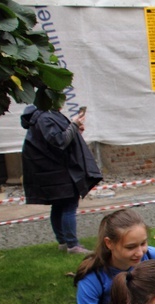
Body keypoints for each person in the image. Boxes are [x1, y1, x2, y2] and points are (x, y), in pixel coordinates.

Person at [20, 105, 102, 254]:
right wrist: (75, 124)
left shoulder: (43, 116)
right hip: (57, 170)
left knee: (59, 206)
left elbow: (59, 138)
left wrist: (74, 130)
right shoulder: (45, 118)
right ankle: (72, 245)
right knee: (68, 205)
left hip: (53, 170)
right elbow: (60, 141)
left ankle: (64, 242)